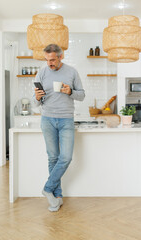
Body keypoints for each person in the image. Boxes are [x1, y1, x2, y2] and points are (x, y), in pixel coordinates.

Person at [33, 44, 85, 212]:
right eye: (47, 60)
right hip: (47, 119)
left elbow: (82, 95)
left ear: (61, 57)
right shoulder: (42, 72)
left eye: (53, 60)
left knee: (66, 157)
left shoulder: (72, 72)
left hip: (66, 120)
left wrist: (70, 92)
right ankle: (56, 197)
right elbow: (35, 103)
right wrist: (36, 97)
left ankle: (47, 188)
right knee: (53, 158)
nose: (50, 63)